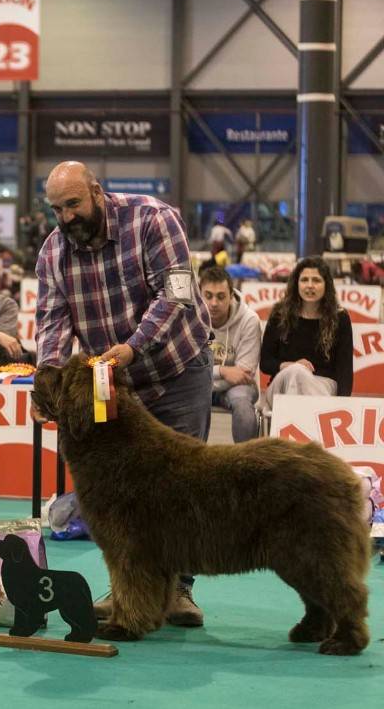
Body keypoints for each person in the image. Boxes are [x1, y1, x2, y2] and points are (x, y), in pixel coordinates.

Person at [35, 161, 212, 627]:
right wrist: (46, 383)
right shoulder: (53, 253)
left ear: (96, 191)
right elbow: (53, 324)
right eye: (57, 209)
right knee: (118, 498)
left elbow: (175, 295)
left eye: (73, 204)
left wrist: (132, 349)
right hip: (109, 385)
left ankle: (180, 592)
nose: (66, 217)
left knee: (178, 491)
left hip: (175, 368)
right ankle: (129, 590)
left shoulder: (153, 219)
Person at [259, 256, 353, 413]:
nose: (310, 286)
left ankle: (291, 432)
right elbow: (265, 363)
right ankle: (318, 420)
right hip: (282, 384)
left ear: (326, 285)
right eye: (304, 280)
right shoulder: (279, 314)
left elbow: (344, 371)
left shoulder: (340, 318)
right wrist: (290, 366)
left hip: (323, 386)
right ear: (296, 283)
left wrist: (342, 406)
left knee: (300, 379)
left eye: (316, 280)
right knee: (297, 373)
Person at [198, 265, 261, 442]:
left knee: (243, 406)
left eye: (221, 296)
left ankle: (247, 463)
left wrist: (206, 374)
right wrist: (224, 371)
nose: (214, 303)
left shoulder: (249, 320)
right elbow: (188, 369)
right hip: (201, 384)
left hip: (236, 388)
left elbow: (243, 374)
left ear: (231, 296)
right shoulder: (190, 317)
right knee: (179, 399)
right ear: (199, 295)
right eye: (208, 296)